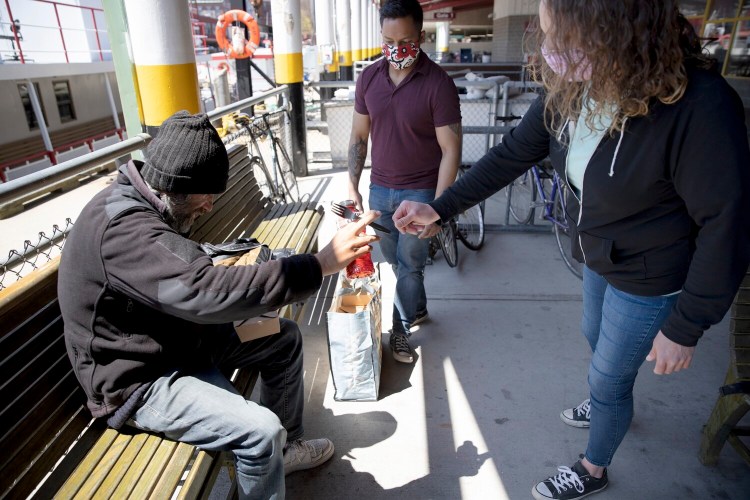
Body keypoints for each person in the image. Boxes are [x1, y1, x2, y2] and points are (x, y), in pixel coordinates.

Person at [392, 1, 750, 498]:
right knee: (594, 337)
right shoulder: (577, 88)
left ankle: (593, 468)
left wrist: (687, 326)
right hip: (602, 255)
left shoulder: (699, 104)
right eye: (547, 36)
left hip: (651, 273)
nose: (552, 51)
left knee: (607, 374)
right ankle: (610, 397)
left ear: (617, 30)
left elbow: (727, 224)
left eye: (564, 37)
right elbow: (513, 153)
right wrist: (442, 207)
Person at [58, 110, 380, 499]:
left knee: (284, 339)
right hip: (139, 380)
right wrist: (319, 264)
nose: (209, 205)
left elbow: (187, 280)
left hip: (174, 339)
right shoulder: (123, 231)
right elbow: (202, 292)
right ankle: (270, 452)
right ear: (175, 185)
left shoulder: (147, 199)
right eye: (206, 194)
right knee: (260, 433)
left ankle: (286, 451)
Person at [348, 0, 462, 364]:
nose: (396, 48)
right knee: (396, 263)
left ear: (421, 36)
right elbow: (358, 138)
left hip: (419, 194)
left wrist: (438, 209)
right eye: (388, 39)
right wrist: (352, 185)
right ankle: (419, 308)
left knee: (410, 265)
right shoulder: (368, 78)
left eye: (405, 39)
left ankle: (400, 333)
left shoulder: (439, 84)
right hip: (380, 190)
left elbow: (451, 150)